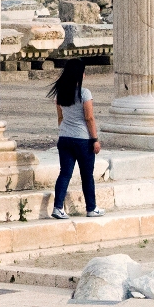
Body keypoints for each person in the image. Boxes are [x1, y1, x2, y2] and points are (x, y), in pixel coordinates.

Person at [48, 60, 103, 219]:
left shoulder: (60, 93)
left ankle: (58, 207)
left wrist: (65, 130)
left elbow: (60, 117)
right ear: (81, 74)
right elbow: (89, 118)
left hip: (64, 137)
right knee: (87, 175)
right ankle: (91, 208)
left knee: (64, 173)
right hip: (82, 139)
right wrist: (95, 139)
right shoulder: (84, 93)